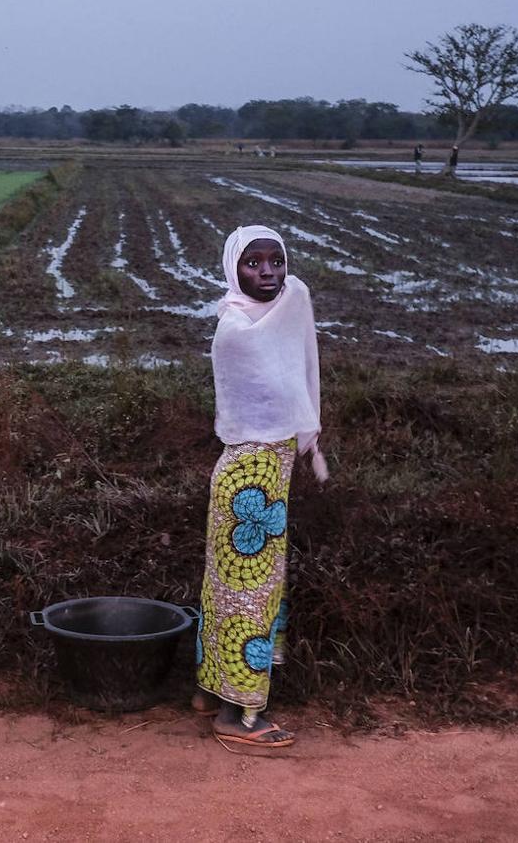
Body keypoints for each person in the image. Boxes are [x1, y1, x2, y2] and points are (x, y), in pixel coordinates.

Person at [192, 226, 327, 749]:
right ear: (233, 269)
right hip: (248, 478)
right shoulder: (236, 330)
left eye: (277, 260)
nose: (268, 271)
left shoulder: (288, 302)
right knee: (248, 593)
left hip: (270, 473)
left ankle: (210, 693)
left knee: (233, 590)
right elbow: (279, 394)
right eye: (253, 263)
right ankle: (241, 715)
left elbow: (298, 310)